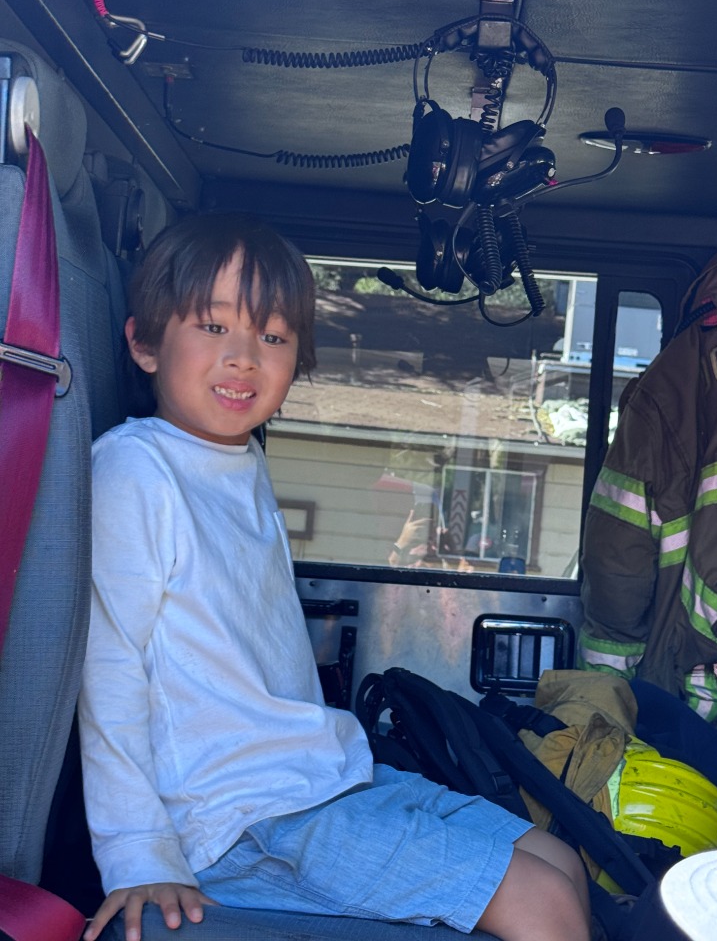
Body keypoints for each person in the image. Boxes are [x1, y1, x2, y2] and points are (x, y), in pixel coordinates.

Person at [78, 212, 591, 941]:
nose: (245, 357)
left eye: (275, 336)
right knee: (545, 907)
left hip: (316, 779)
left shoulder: (241, 460)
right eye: (214, 327)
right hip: (237, 818)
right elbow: (109, 666)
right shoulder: (135, 468)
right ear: (144, 343)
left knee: (558, 861)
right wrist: (137, 854)